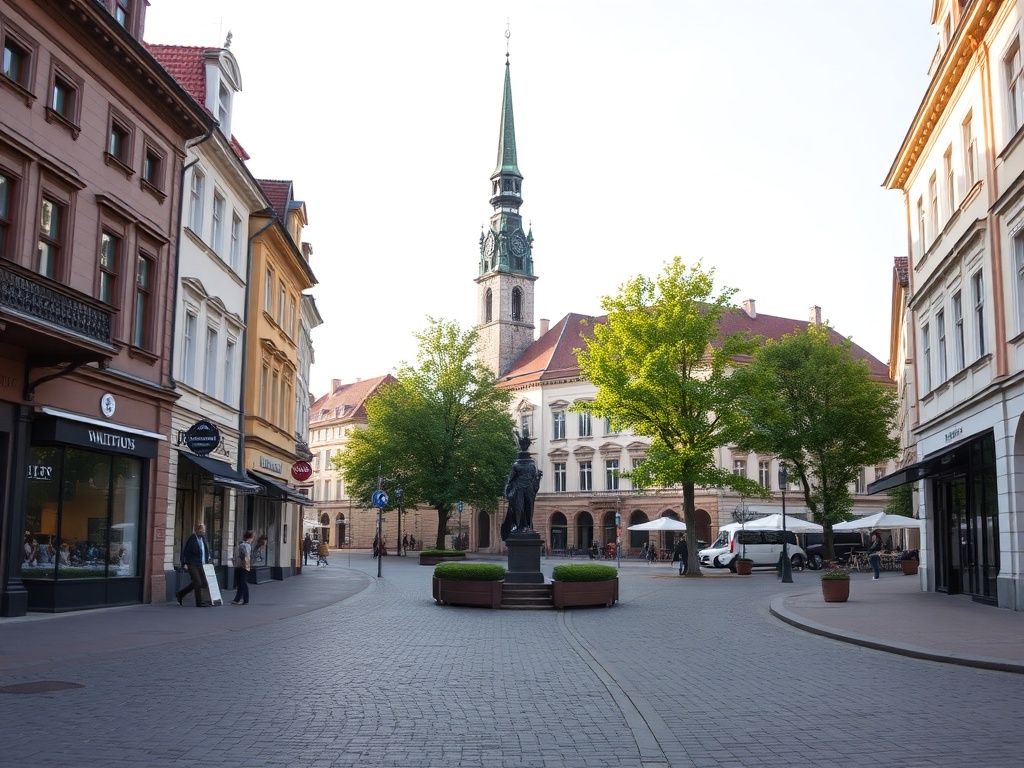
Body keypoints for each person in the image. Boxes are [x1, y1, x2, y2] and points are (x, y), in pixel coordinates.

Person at [176, 522, 213, 607]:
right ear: (197, 530)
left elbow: (205, 551)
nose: (204, 531)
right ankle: (199, 602)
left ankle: (180, 594)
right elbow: (186, 552)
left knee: (203, 582)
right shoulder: (192, 539)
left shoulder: (203, 539)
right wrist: (185, 563)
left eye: (204, 529)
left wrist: (208, 560)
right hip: (192, 564)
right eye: (202, 530)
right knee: (198, 582)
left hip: (201, 564)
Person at [232, 530, 254, 605]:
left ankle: (242, 599)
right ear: (250, 538)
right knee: (242, 583)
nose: (252, 540)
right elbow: (246, 556)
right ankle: (239, 599)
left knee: (242, 583)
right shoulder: (246, 545)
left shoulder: (242, 545)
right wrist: (247, 566)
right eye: (252, 538)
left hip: (240, 566)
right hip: (243, 566)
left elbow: (242, 556)